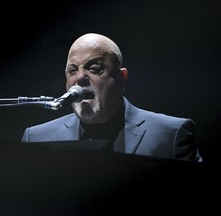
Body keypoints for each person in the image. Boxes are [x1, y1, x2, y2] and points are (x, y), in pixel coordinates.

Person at [22, 33, 202, 162]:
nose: (80, 78)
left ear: (121, 77)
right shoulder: (37, 138)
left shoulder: (171, 135)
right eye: (73, 70)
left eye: (94, 68)